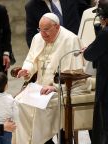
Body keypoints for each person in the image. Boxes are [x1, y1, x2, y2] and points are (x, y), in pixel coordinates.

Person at [16, 13, 92, 144]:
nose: (43, 34)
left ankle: (43, 141)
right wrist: (26, 70)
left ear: (57, 27)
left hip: (65, 87)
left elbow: (75, 74)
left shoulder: (70, 40)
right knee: (18, 103)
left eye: (46, 30)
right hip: (40, 86)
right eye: (40, 30)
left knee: (41, 106)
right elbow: (31, 59)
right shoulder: (37, 38)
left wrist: (55, 87)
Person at [83, 0, 108, 143]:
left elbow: (89, 55)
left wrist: (87, 50)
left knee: (105, 126)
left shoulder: (105, 33)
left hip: (106, 86)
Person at [25, 0, 90, 47]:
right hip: (54, 51)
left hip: (79, 45)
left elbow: (87, 13)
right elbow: (31, 37)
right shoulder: (31, 6)